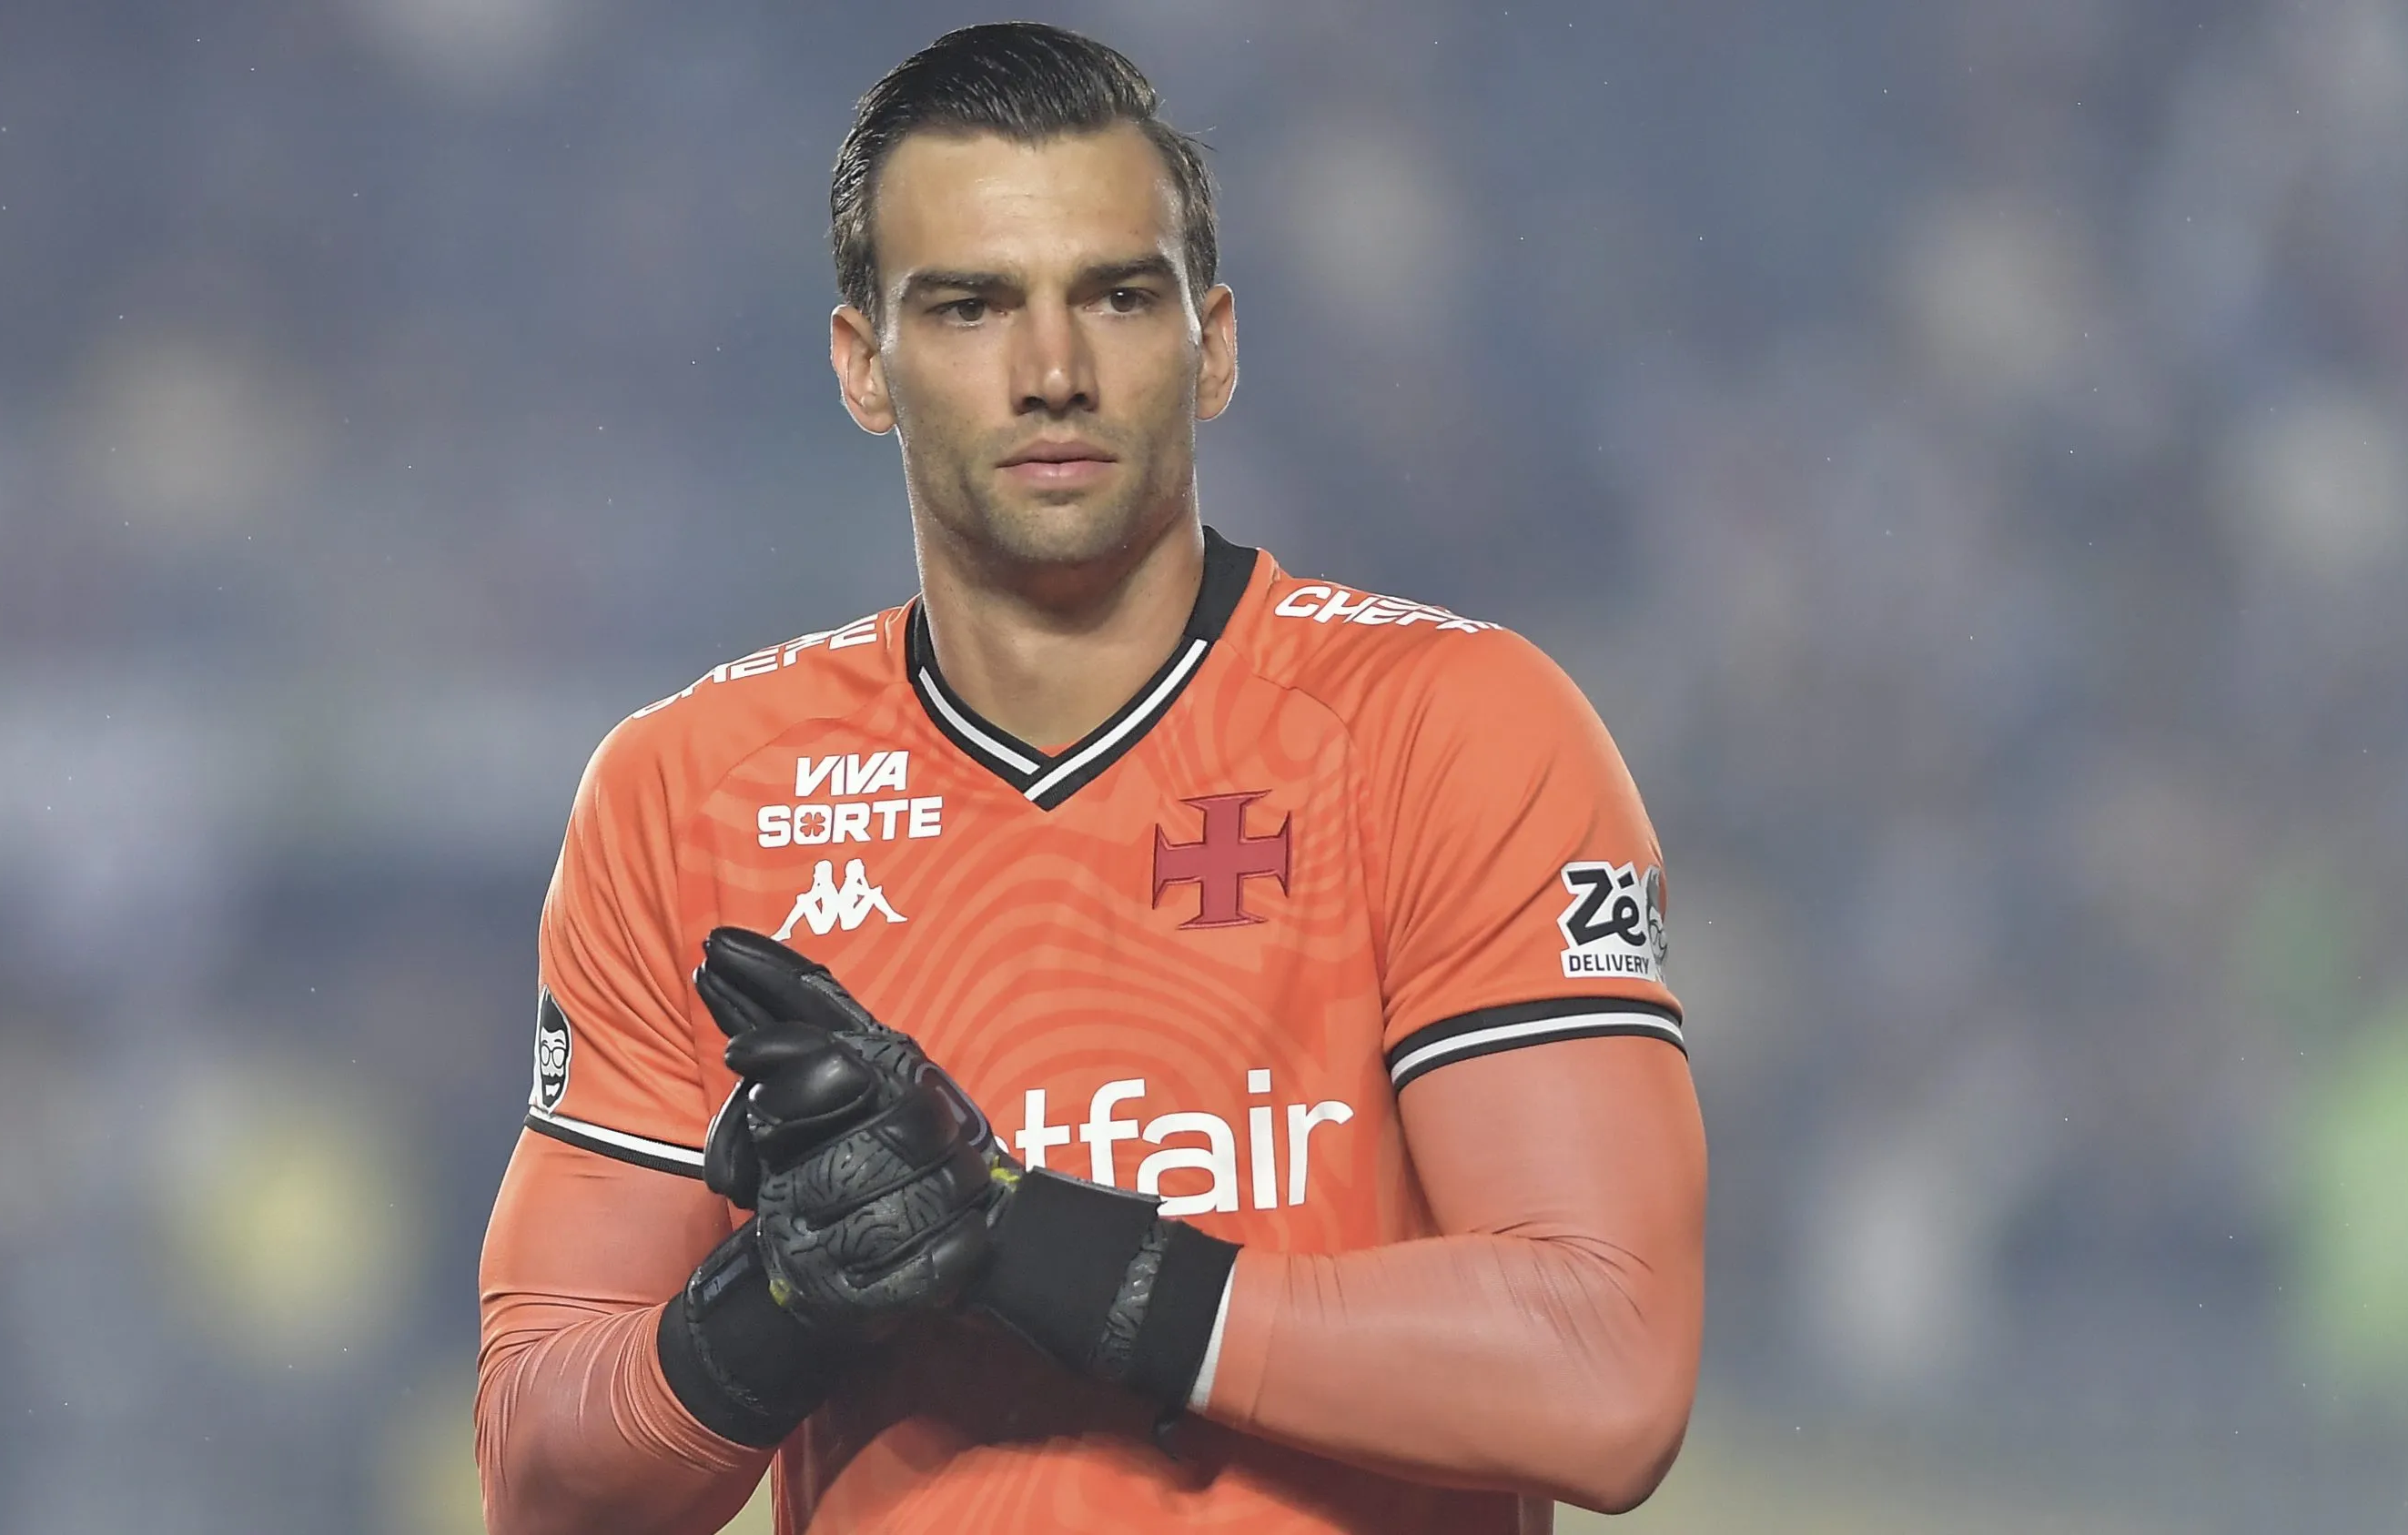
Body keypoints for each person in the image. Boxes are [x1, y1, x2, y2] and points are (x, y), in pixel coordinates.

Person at [476, 22, 1704, 1534]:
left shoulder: (1453, 730)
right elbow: (539, 1482)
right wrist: (784, 1297)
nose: (1052, 372)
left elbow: (1606, 1371)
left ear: (1215, 343)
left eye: (1118, 296)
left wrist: (1015, 1239)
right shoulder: (685, 793)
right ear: (864, 366)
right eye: (972, 306)